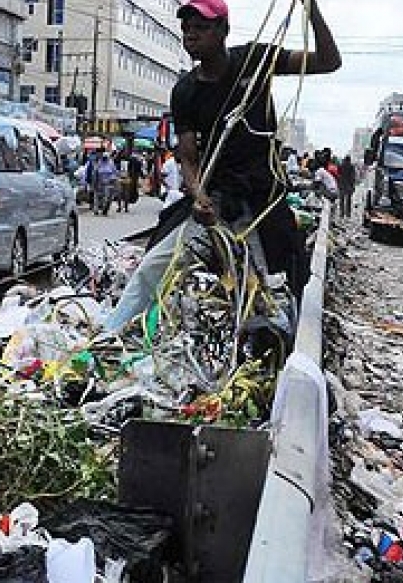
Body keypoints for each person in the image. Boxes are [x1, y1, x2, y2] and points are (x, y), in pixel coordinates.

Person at [101, 0, 340, 333]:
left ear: (223, 31)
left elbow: (329, 62)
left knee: (277, 283)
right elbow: (188, 158)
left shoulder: (255, 60)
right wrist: (199, 196)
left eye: (201, 27)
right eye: (186, 28)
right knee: (152, 266)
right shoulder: (185, 91)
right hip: (215, 197)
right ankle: (107, 337)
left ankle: (283, 348)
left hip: (262, 200)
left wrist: (311, 9)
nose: (191, 35)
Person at [90, 152, 120, 216]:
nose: (104, 159)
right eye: (104, 157)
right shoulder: (99, 164)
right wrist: (94, 183)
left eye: (106, 157)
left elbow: (115, 173)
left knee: (107, 198)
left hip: (108, 184)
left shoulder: (111, 164)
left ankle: (105, 209)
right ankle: (96, 210)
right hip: (99, 183)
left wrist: (114, 181)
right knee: (97, 197)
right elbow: (94, 173)